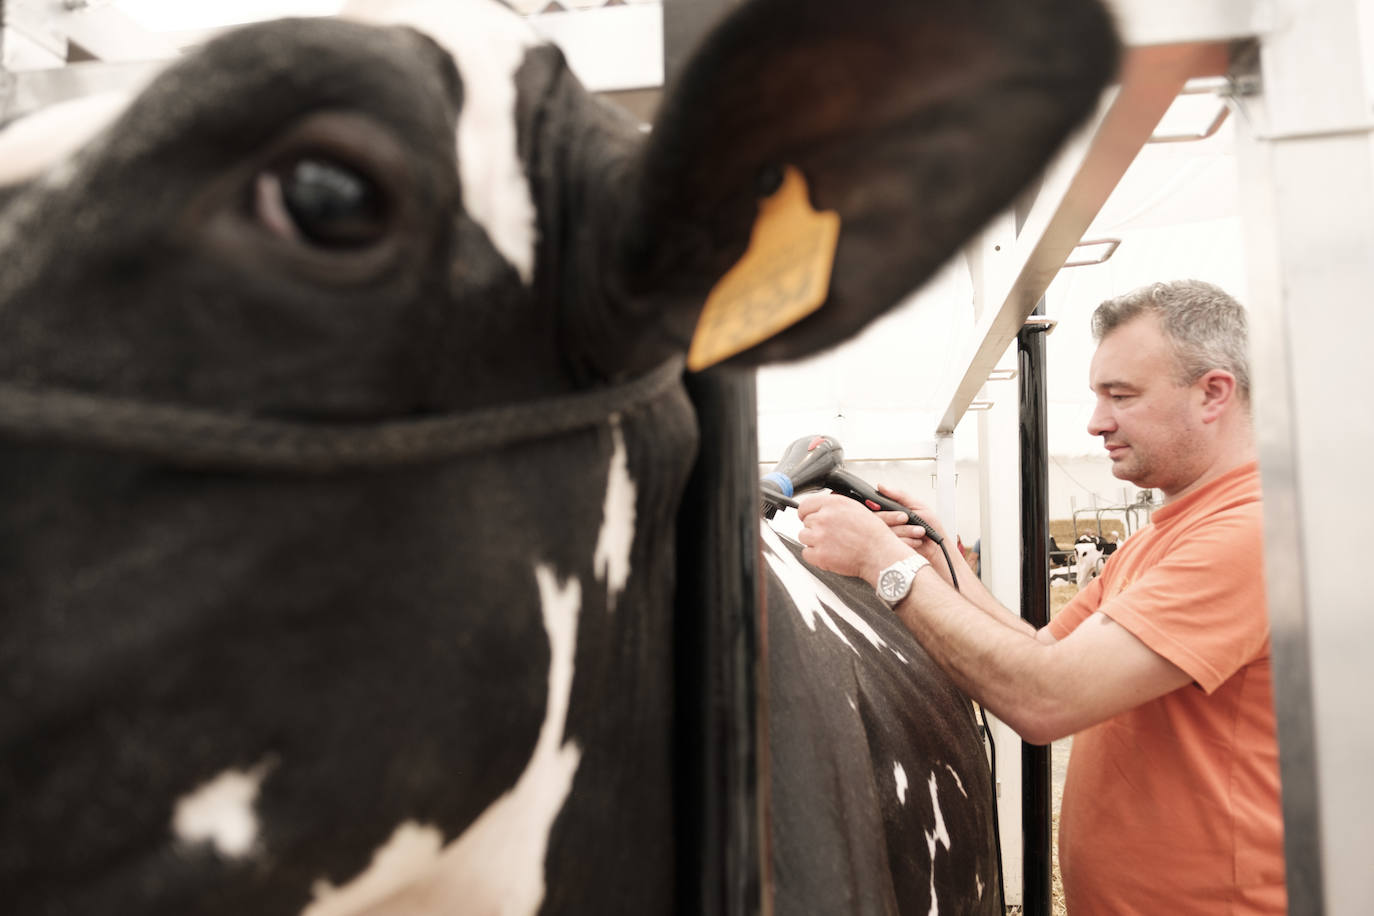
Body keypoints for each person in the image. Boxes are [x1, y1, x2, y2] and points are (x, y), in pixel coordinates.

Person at [796, 280, 1285, 913]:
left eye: (1122, 395)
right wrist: (939, 561)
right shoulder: (1160, 538)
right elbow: (1041, 649)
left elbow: (1044, 698)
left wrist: (883, 563)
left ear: (1213, 393)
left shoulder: (1250, 535)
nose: (1096, 421)